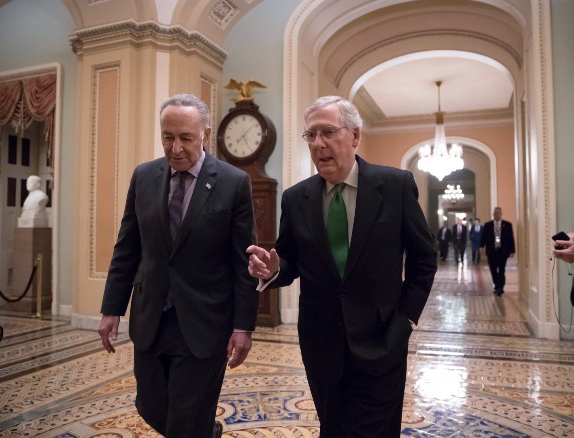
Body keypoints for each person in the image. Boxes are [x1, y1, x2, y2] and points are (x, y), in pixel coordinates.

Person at [247, 96, 437, 437]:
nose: (318, 143)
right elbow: (289, 261)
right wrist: (272, 269)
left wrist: (405, 319)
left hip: (382, 338)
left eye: (328, 132)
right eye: (311, 135)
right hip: (322, 343)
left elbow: (424, 259)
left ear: (355, 136)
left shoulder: (395, 186)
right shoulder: (296, 198)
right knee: (333, 429)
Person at [97, 94, 259, 438]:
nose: (175, 148)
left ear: (205, 133)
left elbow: (241, 261)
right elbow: (127, 247)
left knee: (186, 419)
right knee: (151, 405)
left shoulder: (233, 182)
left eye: (185, 137)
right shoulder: (144, 176)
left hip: (204, 322)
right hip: (151, 316)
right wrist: (111, 308)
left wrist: (243, 326)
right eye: (167, 136)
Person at [480, 206, 515, 296]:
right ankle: (496, 285)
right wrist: (481, 246)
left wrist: (512, 250)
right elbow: (483, 237)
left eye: (498, 213)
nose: (497, 214)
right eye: (495, 213)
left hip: (503, 252)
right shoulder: (488, 225)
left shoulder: (507, 225)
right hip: (492, 251)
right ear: (493, 214)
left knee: (502, 270)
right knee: (493, 270)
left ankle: (500, 288)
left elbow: (511, 238)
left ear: (501, 214)